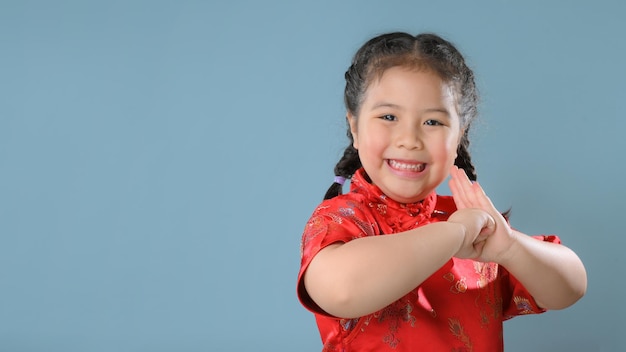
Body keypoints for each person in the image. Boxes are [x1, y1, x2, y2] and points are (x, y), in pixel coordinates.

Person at [296, 32, 587, 351]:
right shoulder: (343, 219)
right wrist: (453, 235)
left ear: (458, 136)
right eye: (389, 117)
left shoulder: (475, 229)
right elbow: (341, 290)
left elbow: (570, 287)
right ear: (355, 126)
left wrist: (511, 248)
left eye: (433, 122)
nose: (410, 139)